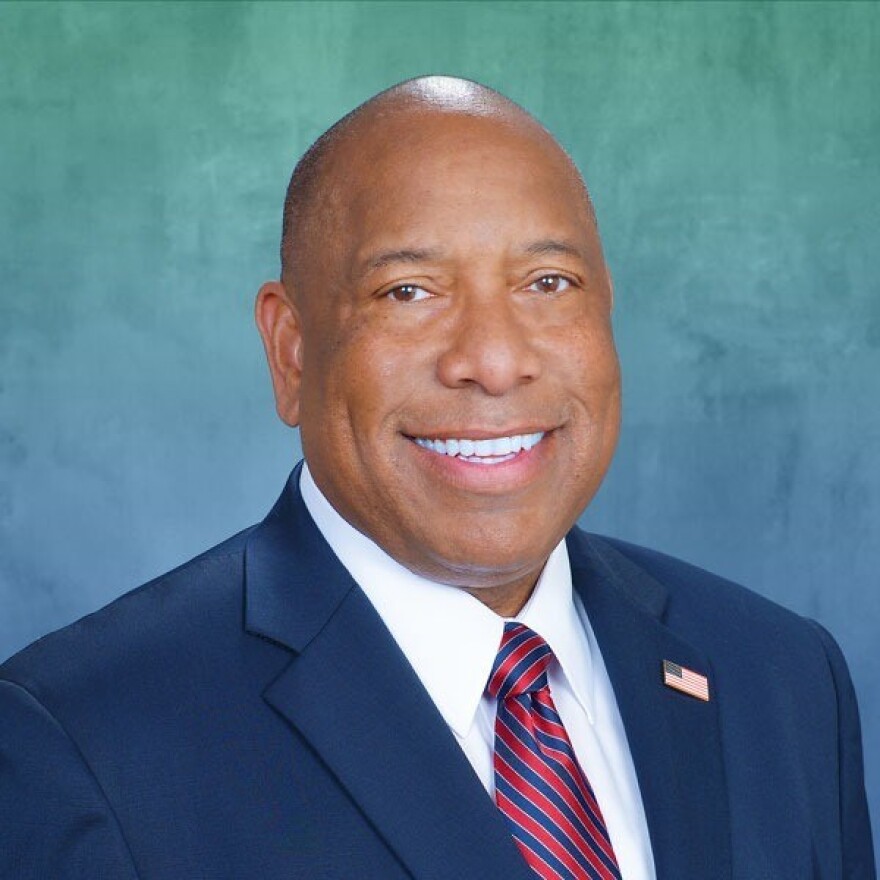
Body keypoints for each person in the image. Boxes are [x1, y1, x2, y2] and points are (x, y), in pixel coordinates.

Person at [0, 76, 873, 880]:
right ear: (291, 349)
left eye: (547, 281)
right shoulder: (82, 742)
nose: (492, 362)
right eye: (409, 292)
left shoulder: (783, 676)